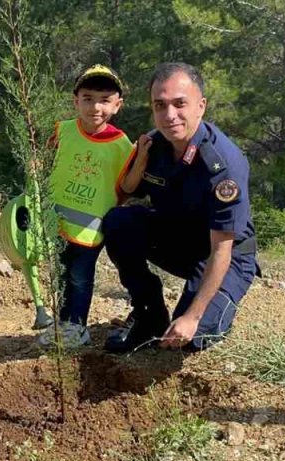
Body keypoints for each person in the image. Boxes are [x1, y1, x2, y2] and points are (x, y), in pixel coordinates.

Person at [105, 62, 260, 353]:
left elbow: (221, 249)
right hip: (178, 240)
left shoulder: (222, 164)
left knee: (190, 337)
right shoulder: (152, 146)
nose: (169, 115)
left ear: (201, 106)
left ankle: (212, 313)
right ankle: (148, 315)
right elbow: (126, 192)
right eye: (159, 105)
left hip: (224, 254)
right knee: (118, 222)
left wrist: (192, 316)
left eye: (180, 104)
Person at [36, 65, 133, 349]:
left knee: (79, 277)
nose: (95, 107)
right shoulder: (62, 131)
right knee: (62, 274)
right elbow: (45, 164)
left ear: (117, 105)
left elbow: (125, 188)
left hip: (91, 229)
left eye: (104, 100)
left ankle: (77, 326)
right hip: (57, 222)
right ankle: (65, 323)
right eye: (88, 98)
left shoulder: (121, 145)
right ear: (75, 100)